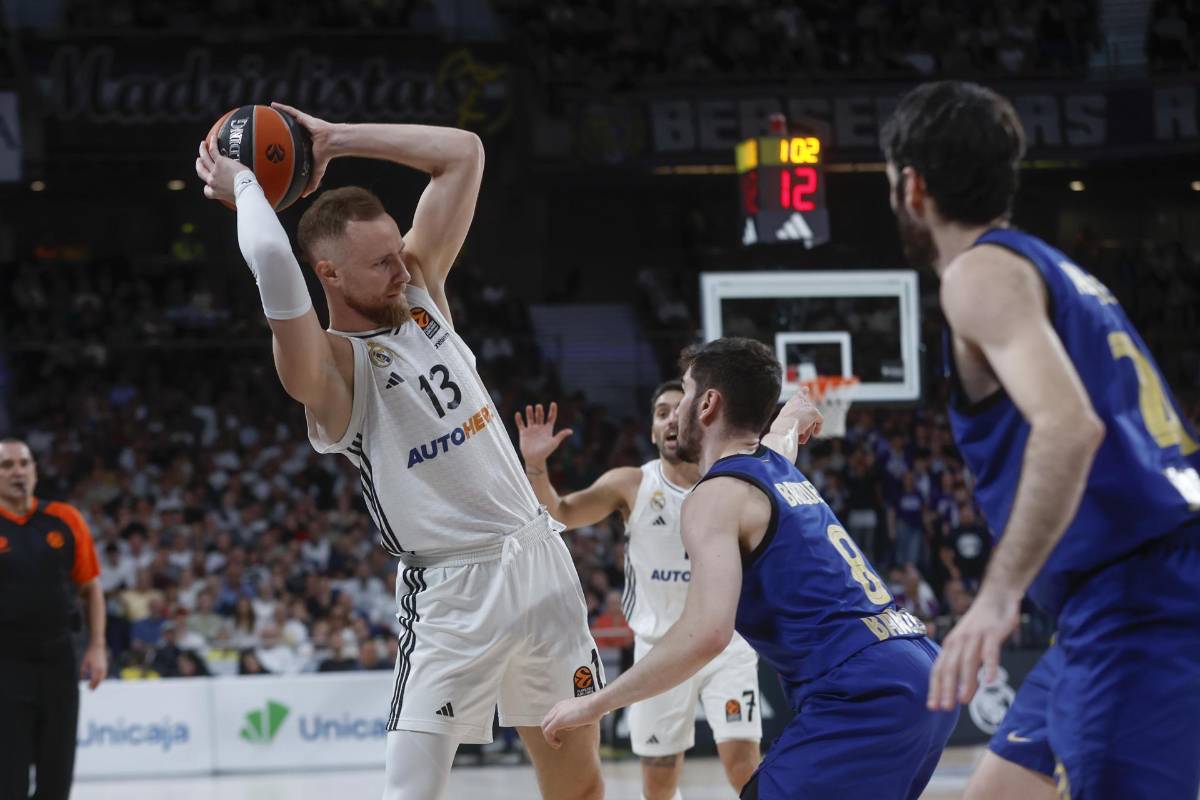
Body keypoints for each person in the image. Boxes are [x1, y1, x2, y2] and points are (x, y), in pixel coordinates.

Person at [195, 105, 604, 800]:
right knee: (411, 792)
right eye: (379, 261)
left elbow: (464, 153)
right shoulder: (329, 371)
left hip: (539, 561)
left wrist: (334, 139)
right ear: (328, 273)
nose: (400, 266)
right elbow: (271, 260)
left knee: (580, 786)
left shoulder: (417, 290)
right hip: (451, 593)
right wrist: (247, 189)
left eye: (397, 250)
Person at [881, 79, 1200, 800]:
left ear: (912, 186)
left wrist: (998, 597)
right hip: (1115, 594)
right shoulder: (1048, 268)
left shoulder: (976, 275)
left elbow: (1069, 426)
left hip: (1142, 598)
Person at [541, 339, 958, 799]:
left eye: (686, 392)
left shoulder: (714, 497)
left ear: (708, 404)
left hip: (864, 690)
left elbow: (708, 634)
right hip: (917, 665)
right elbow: (781, 437)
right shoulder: (773, 466)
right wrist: (792, 414)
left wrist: (594, 704)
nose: (676, 414)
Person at [516, 382, 821, 799]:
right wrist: (536, 466)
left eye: (680, 409)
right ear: (652, 429)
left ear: (701, 419)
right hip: (659, 648)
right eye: (662, 412)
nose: (672, 419)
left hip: (725, 645)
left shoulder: (729, 478)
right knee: (658, 785)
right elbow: (560, 513)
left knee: (742, 766)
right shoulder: (632, 483)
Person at [0, 439, 107, 800]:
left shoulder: (65, 518)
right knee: (8, 781)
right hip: (5, 663)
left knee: (56, 778)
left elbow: (91, 588)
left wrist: (97, 646)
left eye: (24, 463)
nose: (17, 472)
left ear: (35, 471)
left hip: (58, 659)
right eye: (6, 465)